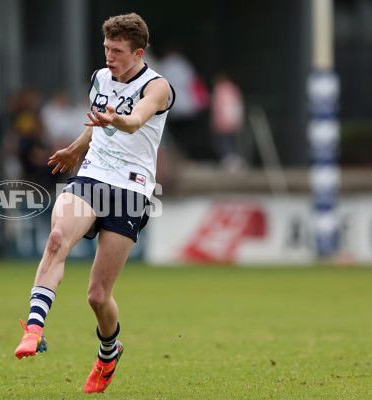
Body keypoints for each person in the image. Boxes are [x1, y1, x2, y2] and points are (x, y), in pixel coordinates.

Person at [14, 13, 175, 394]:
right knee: (56, 240)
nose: (109, 56)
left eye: (117, 50)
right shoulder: (101, 77)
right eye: (106, 47)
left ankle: (108, 353)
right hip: (91, 177)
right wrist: (74, 149)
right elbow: (96, 123)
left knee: (97, 296)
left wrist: (113, 119)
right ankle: (34, 329)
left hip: (131, 191)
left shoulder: (158, 87)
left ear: (137, 52)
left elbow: (134, 121)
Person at [210, 72, 245, 172]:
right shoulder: (234, 89)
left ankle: (229, 159)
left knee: (223, 141)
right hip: (234, 121)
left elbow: (217, 107)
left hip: (222, 121)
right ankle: (236, 159)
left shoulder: (218, 89)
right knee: (233, 140)